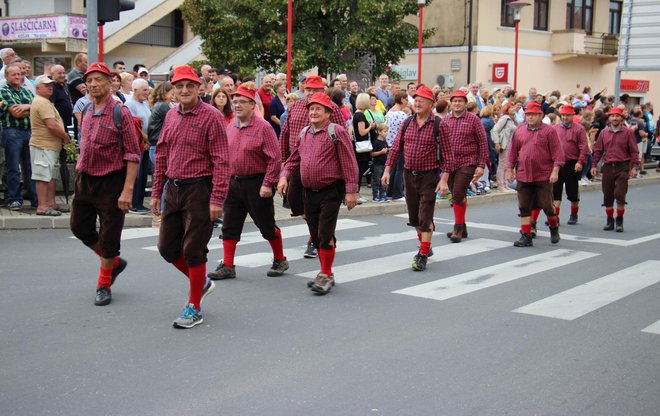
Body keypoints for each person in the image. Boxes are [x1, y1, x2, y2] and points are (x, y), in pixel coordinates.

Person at [150, 66, 230, 329]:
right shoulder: (171, 116)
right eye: (179, 86)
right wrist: (156, 192)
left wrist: (217, 198)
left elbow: (221, 160)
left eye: (190, 86)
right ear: (173, 89)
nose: (184, 90)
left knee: (193, 249)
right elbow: (161, 155)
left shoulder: (212, 117)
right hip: (173, 190)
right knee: (166, 249)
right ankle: (202, 283)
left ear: (200, 88)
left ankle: (194, 306)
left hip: (199, 190)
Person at [69, 62, 141, 306]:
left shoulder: (121, 113)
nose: (93, 84)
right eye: (89, 80)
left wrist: (127, 190)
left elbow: (133, 154)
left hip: (111, 182)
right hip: (85, 179)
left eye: (98, 79)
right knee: (79, 227)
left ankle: (103, 283)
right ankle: (114, 264)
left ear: (111, 82)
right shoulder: (87, 109)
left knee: (110, 236)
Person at [277, 93, 359, 294]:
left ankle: (325, 274)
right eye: (311, 109)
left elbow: (349, 162)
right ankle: (326, 273)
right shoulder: (304, 133)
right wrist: (284, 176)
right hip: (309, 192)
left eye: (318, 109)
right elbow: (294, 159)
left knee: (324, 233)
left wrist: (351, 191)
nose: (313, 112)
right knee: (316, 235)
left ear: (328, 113)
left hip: (331, 191)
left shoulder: (336, 131)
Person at [207, 84, 286, 280]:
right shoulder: (230, 126)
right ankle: (228, 265)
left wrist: (268, 183)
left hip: (257, 183)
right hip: (233, 183)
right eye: (235, 102)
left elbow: (274, 159)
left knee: (266, 225)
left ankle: (280, 259)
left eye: (242, 102)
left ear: (253, 105)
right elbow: (222, 156)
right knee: (229, 226)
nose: (237, 105)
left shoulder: (264, 128)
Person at [382, 85, 452, 272]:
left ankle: (422, 254)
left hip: (429, 176)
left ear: (431, 104)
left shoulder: (439, 124)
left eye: (422, 100)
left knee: (425, 215)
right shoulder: (407, 123)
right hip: (408, 175)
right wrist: (387, 170)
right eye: (416, 100)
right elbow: (396, 148)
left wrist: (444, 179)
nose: (418, 103)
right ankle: (425, 246)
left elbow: (448, 155)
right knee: (414, 217)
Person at [279, 75, 345, 258]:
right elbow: (284, 132)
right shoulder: (297, 106)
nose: (310, 93)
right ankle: (319, 232)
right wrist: (283, 162)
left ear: (322, 91)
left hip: (323, 163)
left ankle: (316, 238)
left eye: (315, 90)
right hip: (298, 161)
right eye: (308, 89)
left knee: (319, 206)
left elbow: (341, 137)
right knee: (295, 199)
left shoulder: (331, 108)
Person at [507, 101, 564, 247]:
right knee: (524, 206)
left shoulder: (549, 131)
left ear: (540, 115)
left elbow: (558, 153)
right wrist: (510, 169)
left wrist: (555, 171)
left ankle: (553, 227)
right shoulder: (519, 130)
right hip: (524, 174)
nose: (530, 117)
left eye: (533, 114)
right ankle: (526, 235)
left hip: (543, 175)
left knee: (547, 206)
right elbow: (513, 152)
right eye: (527, 115)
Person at [441, 90, 489, 243]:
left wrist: (481, 165)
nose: (457, 104)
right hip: (449, 164)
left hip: (467, 162)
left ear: (465, 103)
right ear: (451, 103)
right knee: (457, 195)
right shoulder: (446, 120)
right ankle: (463, 226)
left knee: (458, 193)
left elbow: (483, 143)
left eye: (460, 101)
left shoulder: (474, 120)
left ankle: (457, 228)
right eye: (454, 101)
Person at [590, 107, 639, 232]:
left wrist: (634, 166)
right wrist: (594, 165)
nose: (615, 118)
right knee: (608, 196)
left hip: (622, 167)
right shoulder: (604, 133)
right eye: (612, 116)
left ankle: (620, 221)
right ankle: (610, 220)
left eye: (617, 116)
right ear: (609, 118)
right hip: (607, 167)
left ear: (622, 118)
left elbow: (634, 151)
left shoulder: (627, 133)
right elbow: (598, 151)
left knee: (620, 194)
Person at [29, 75, 70, 215]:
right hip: (43, 144)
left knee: (51, 176)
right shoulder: (42, 102)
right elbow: (52, 125)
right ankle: (42, 206)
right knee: (42, 176)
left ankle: (50, 204)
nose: (50, 87)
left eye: (50, 85)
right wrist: (65, 137)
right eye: (46, 85)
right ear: (37, 88)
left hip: (50, 145)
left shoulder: (45, 101)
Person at [0, 63, 36, 210]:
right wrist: (30, 107)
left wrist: (27, 107)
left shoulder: (26, 91)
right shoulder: (3, 91)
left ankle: (35, 199)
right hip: (12, 131)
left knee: (30, 167)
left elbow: (37, 108)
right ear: (6, 76)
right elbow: (15, 113)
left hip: (28, 131)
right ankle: (15, 199)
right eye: (14, 74)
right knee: (13, 167)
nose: (18, 76)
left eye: (19, 74)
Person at [553, 105, 589, 225]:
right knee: (555, 192)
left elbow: (584, 147)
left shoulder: (579, 129)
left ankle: (574, 213)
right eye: (563, 115)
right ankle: (555, 217)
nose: (565, 117)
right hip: (557, 164)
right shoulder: (555, 128)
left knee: (572, 192)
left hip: (572, 164)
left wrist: (580, 161)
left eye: (567, 115)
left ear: (572, 115)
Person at [125, 78, 152, 214]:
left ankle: (140, 203)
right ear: (135, 90)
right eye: (144, 90)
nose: (147, 92)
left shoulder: (144, 104)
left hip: (145, 144)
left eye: (147, 90)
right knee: (137, 174)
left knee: (143, 175)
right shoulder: (130, 104)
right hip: (137, 143)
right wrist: (146, 139)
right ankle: (134, 204)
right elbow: (133, 125)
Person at [384, 91, 409, 201]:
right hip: (399, 143)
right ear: (402, 99)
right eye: (406, 99)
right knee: (400, 169)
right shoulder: (402, 114)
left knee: (393, 169)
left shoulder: (389, 112)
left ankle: (390, 192)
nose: (408, 101)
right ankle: (398, 193)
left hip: (390, 143)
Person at [491, 103, 518, 192]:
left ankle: (505, 184)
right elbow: (495, 130)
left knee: (507, 165)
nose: (514, 108)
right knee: (502, 165)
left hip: (510, 145)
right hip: (505, 145)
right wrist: (497, 142)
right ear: (507, 109)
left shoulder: (512, 119)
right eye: (512, 107)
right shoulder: (505, 118)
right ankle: (501, 185)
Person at [370, 123, 389, 202]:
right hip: (377, 164)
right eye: (385, 131)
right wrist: (381, 152)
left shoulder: (385, 142)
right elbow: (372, 153)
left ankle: (382, 195)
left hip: (384, 163)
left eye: (387, 131)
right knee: (377, 181)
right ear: (379, 132)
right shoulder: (376, 142)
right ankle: (375, 196)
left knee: (383, 180)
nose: (387, 133)